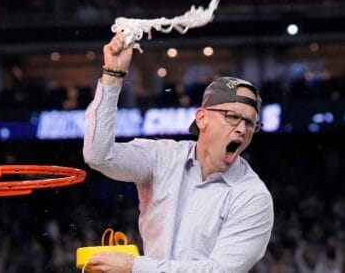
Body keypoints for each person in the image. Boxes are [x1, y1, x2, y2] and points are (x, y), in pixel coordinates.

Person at [83, 32, 274, 272]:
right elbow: (99, 156)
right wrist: (112, 77)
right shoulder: (161, 157)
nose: (242, 129)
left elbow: (219, 271)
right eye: (232, 117)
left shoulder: (252, 196)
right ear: (202, 118)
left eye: (250, 123)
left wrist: (135, 267)